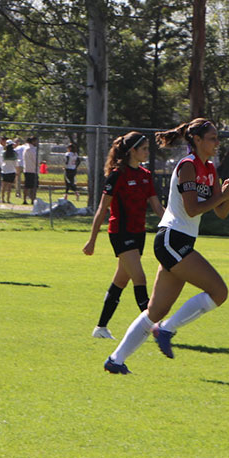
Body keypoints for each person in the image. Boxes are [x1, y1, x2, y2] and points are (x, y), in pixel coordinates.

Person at [103, 119, 229, 374]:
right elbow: (192, 209)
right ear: (197, 140)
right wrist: (221, 195)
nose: (217, 142)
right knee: (219, 292)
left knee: (155, 310)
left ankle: (115, 360)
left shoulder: (209, 169)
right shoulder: (188, 166)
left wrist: (228, 194)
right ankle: (165, 330)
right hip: (171, 239)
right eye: (212, 137)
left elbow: (221, 213)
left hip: (180, 241)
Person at [82, 132, 165, 338]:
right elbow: (102, 210)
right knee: (140, 277)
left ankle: (101, 328)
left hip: (139, 234)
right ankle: (153, 328)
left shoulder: (145, 175)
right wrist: (92, 240)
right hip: (121, 233)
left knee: (120, 281)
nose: (147, 151)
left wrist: (172, 225)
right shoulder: (117, 175)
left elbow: (156, 206)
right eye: (144, 148)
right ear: (133, 151)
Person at [19, 136, 39, 204]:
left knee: (26, 186)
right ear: (33, 141)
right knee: (34, 186)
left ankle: (25, 199)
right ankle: (33, 200)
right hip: (33, 170)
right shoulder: (32, 149)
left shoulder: (25, 149)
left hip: (26, 169)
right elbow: (35, 160)